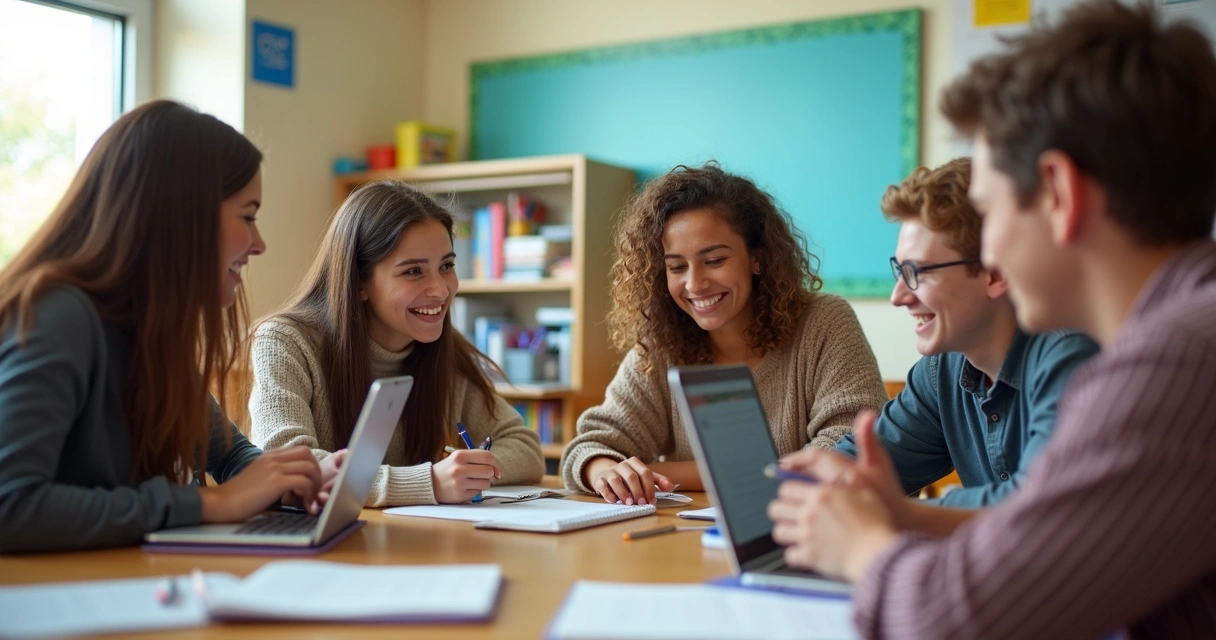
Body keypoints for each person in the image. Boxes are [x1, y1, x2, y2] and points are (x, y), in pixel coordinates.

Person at [767, 2, 1216, 637]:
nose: (992, 250)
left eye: (991, 208)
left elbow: (950, 621)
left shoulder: (1177, 361)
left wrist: (862, 545)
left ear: (1058, 194)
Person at [0, 100, 337, 553]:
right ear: (183, 216)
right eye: (248, 216)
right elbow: (10, 506)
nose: (259, 244)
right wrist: (206, 504)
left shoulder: (149, 333)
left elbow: (231, 454)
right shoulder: (58, 314)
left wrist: (280, 481)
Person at [561, 162, 889, 505]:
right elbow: (588, 448)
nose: (694, 283)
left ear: (756, 258)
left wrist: (660, 472)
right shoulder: (662, 346)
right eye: (676, 267)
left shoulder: (824, 321)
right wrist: (604, 471)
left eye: (714, 260)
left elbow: (849, 448)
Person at [248, 180, 544, 507]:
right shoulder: (284, 341)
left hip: (402, 539)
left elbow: (526, 449)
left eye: (446, 266)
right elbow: (286, 466)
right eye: (413, 271)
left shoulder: (442, 346)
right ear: (359, 282)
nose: (441, 290)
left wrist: (466, 472)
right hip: (320, 547)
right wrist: (428, 481)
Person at [834, 158, 1098, 509]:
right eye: (900, 270)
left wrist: (902, 513)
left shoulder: (1070, 356)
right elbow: (862, 466)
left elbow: (1037, 508)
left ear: (994, 274)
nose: (898, 297)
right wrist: (794, 483)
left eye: (918, 272)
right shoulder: (942, 370)